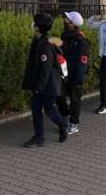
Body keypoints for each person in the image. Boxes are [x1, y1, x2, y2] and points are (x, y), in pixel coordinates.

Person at [22, 12, 68, 148]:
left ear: (38, 27)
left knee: (49, 111)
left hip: (47, 85)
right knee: (36, 110)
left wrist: (39, 87)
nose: (32, 24)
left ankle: (63, 124)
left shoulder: (45, 45)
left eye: (34, 22)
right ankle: (39, 137)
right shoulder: (38, 40)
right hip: (40, 84)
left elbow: (45, 69)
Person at [56, 11, 90, 135]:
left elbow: (83, 61)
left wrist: (79, 78)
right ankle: (65, 115)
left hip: (75, 75)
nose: (65, 20)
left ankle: (74, 123)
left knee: (75, 100)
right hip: (63, 73)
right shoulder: (64, 35)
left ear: (73, 24)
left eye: (68, 19)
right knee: (59, 96)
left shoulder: (81, 40)